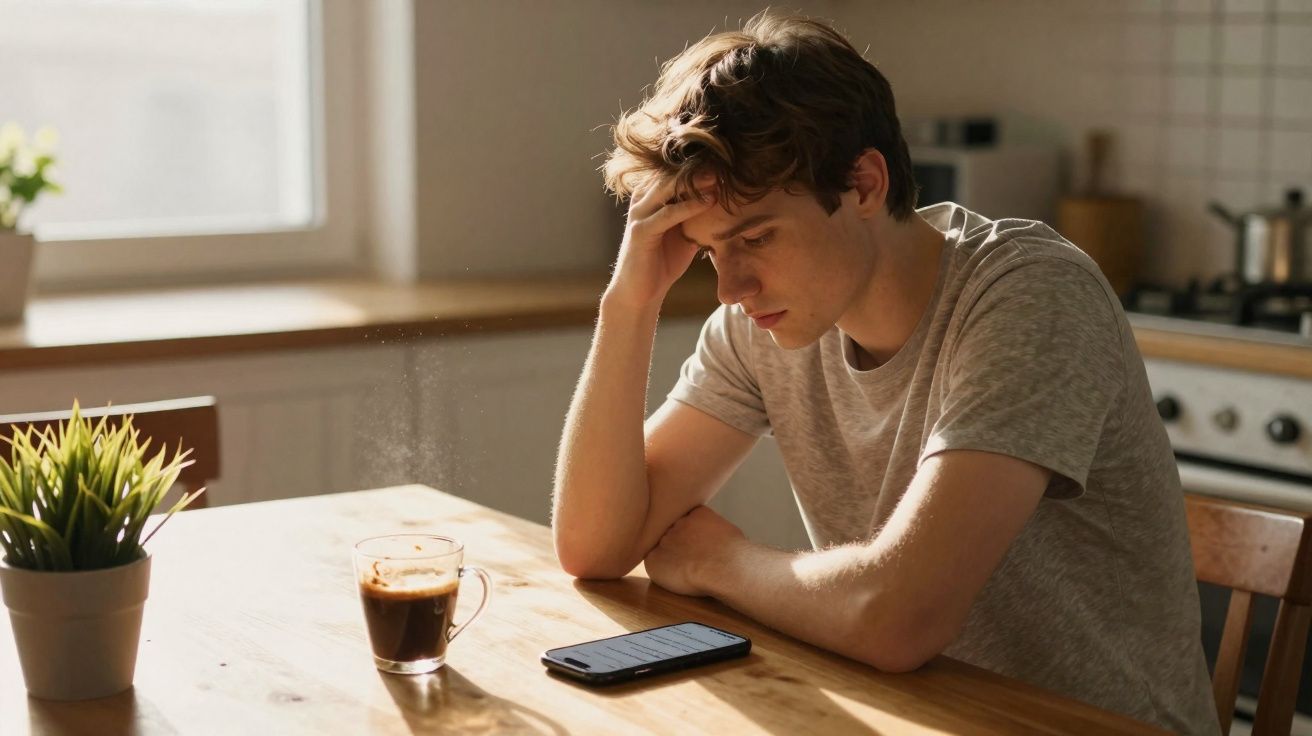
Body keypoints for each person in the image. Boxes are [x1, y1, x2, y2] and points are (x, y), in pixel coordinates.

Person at [550, 11, 1219, 734]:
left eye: (756, 237)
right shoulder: (761, 328)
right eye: (710, 251)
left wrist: (720, 560)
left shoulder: (1029, 296)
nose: (731, 286)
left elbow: (896, 620)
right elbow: (594, 546)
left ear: (864, 183)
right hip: (913, 716)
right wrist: (630, 302)